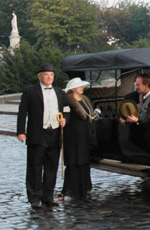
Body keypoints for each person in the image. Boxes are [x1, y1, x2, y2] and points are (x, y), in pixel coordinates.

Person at [17, 64, 68, 209]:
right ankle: (34, 198)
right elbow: (22, 112)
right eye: (46, 74)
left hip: (55, 133)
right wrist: (21, 131)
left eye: (51, 75)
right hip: (37, 133)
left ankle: (48, 196)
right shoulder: (30, 91)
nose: (49, 77)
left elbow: (66, 110)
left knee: (51, 166)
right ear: (40, 76)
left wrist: (65, 120)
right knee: (35, 166)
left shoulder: (59, 92)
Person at [59, 77, 99, 201]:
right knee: (74, 161)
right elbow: (67, 115)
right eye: (79, 86)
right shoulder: (68, 101)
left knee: (84, 161)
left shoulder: (85, 100)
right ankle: (71, 189)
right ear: (73, 89)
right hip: (73, 134)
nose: (82, 88)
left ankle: (84, 187)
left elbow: (89, 115)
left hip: (85, 134)